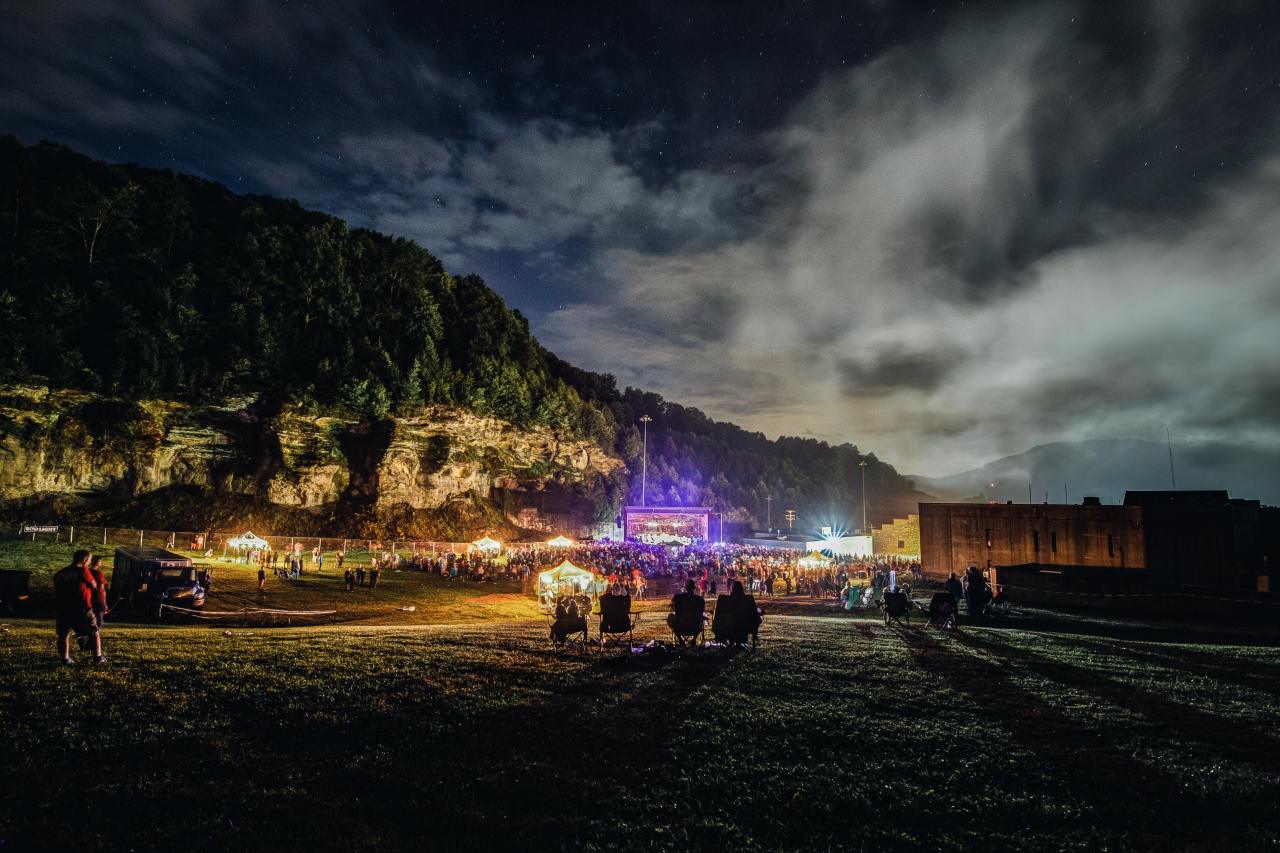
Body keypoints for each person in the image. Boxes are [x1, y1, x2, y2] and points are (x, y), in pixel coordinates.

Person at [54, 550, 103, 665]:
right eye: (90, 559)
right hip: (82, 607)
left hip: (63, 608)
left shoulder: (60, 573)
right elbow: (94, 585)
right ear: (85, 559)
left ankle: (65, 659)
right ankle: (98, 657)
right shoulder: (83, 570)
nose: (90, 562)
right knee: (93, 631)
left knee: (64, 634)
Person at [711, 580, 762, 646]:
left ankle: (731, 640)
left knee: (731, 619)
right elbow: (754, 612)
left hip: (729, 625)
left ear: (732, 588)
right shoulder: (748, 599)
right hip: (746, 625)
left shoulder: (726, 600)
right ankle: (744, 639)